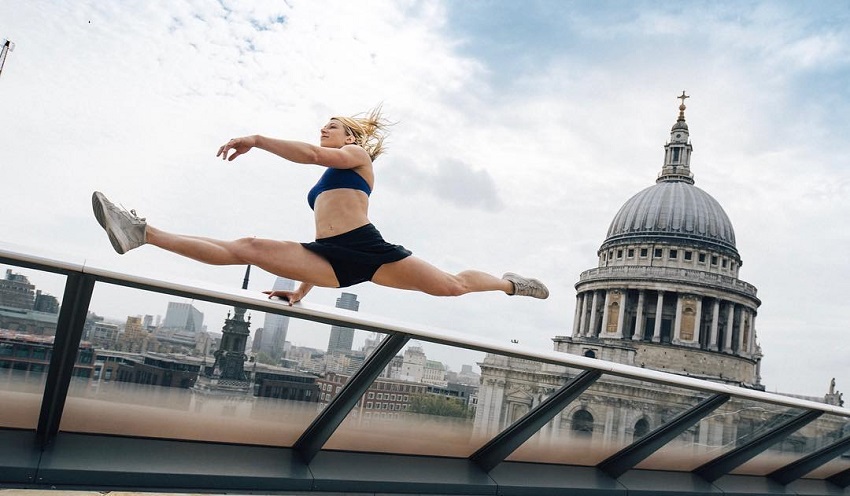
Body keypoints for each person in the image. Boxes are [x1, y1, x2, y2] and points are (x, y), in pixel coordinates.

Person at [92, 107, 549, 304]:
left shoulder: (357, 157)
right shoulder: (327, 178)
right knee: (246, 246)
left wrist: (257, 139)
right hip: (328, 256)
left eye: (332, 126)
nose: (324, 130)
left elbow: (311, 154)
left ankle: (510, 284)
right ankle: (141, 233)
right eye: (324, 125)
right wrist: (299, 291)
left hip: (367, 249)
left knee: (450, 287)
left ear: (351, 137)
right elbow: (325, 226)